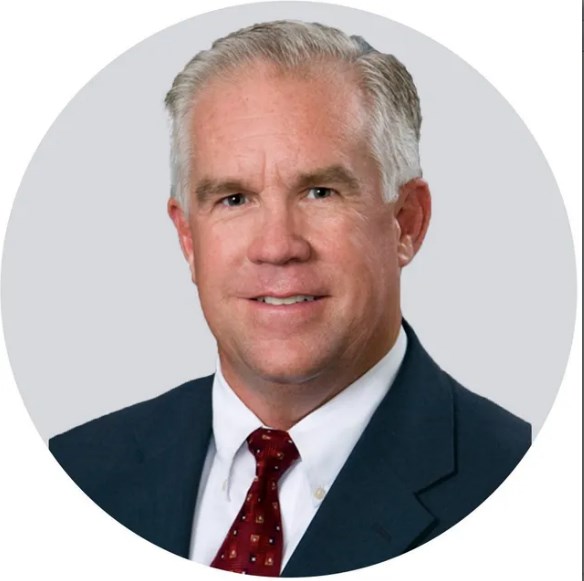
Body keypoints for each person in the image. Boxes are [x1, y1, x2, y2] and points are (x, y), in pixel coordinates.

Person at [49, 20, 531, 577]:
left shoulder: (520, 481)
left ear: (406, 222)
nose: (277, 246)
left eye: (320, 192)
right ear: (188, 238)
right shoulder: (74, 474)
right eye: (234, 199)